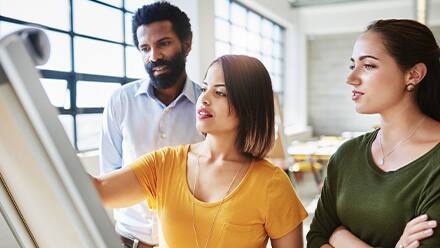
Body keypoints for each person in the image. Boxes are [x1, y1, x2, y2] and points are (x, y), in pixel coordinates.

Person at [93, 55, 308, 248]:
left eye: (220, 92)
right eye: (204, 88)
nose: (204, 99)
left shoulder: (272, 184)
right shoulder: (165, 163)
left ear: (248, 106)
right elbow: (99, 189)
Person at [306, 19, 440, 248]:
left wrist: (340, 237)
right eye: (352, 65)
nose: (351, 78)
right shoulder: (347, 154)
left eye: (368, 65)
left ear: (414, 74)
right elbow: (316, 238)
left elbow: (327, 236)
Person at [99, 2, 204, 247]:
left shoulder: (208, 106)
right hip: (127, 241)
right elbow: (109, 177)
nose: (153, 56)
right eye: (145, 48)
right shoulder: (120, 101)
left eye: (163, 43)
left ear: (186, 43)